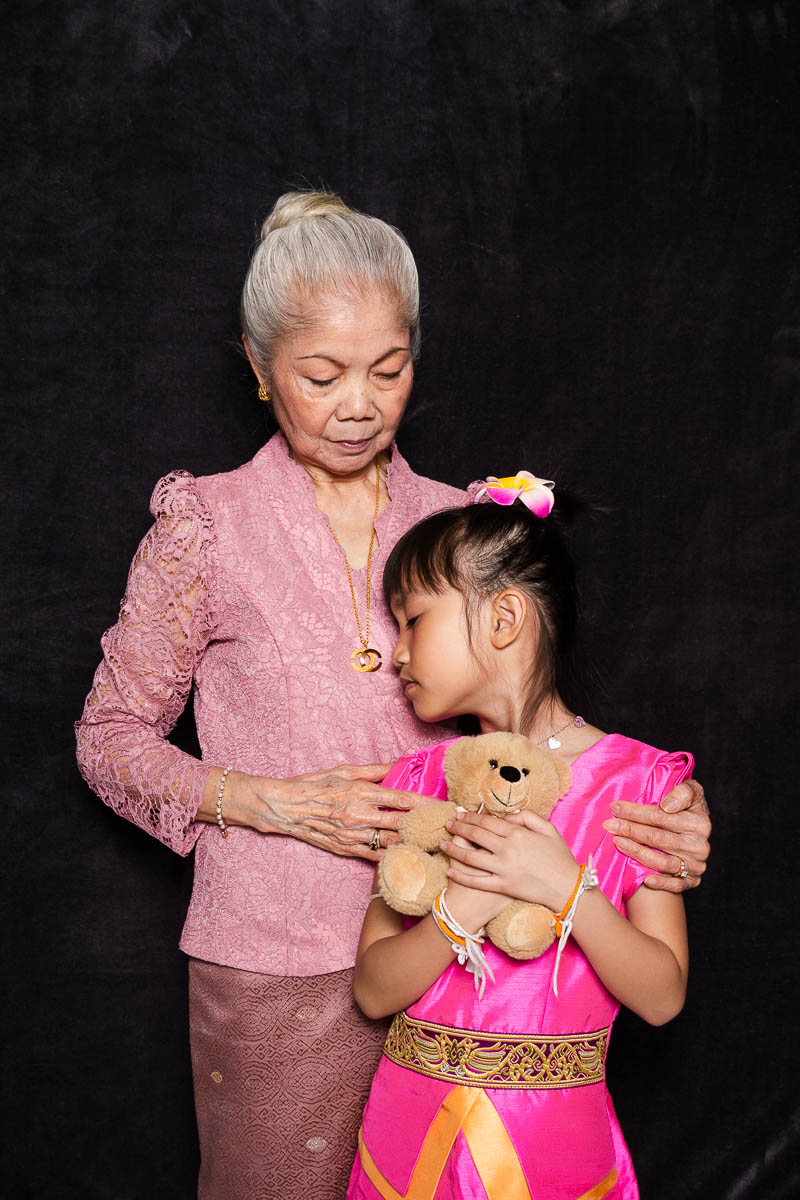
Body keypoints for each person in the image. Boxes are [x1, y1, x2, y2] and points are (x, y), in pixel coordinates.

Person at [75, 193, 710, 1200]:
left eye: (390, 368)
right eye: (321, 376)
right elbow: (107, 739)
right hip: (275, 964)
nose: (359, 404)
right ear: (255, 365)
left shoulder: (458, 524)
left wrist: (662, 813)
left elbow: (535, 724)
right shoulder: (207, 525)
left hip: (470, 969)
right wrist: (270, 800)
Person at [347, 486, 693, 1199]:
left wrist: (567, 891)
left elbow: (662, 996)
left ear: (504, 617)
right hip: (408, 1139)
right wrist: (460, 909)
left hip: (552, 1147)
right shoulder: (421, 781)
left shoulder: (638, 787)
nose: (397, 654)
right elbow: (373, 990)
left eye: (412, 620)